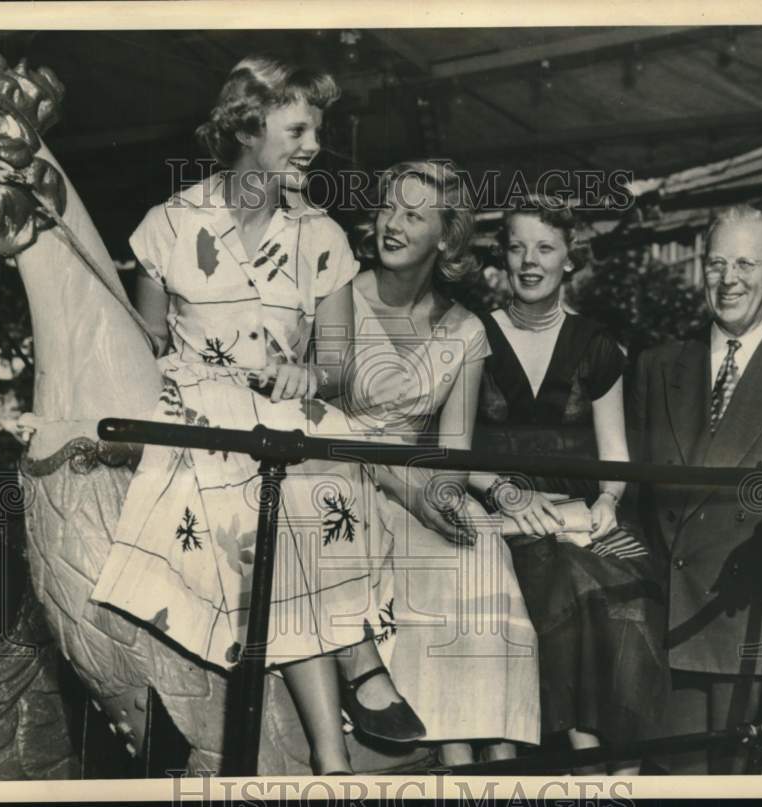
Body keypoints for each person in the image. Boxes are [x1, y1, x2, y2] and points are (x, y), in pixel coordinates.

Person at [90, 56, 424, 775]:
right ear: (248, 127)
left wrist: (310, 368)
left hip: (281, 411)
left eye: (318, 130)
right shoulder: (169, 225)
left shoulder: (324, 237)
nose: (313, 144)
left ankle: (333, 750)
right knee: (270, 500)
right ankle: (357, 671)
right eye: (298, 127)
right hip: (197, 414)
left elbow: (334, 364)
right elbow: (142, 346)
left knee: (306, 479)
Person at [629, 204, 762, 774]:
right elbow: (628, 495)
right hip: (671, 637)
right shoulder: (655, 366)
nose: (729, 280)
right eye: (716, 263)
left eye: (746, 263)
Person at [343, 160, 540, 767]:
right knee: (430, 568)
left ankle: (502, 762)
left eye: (414, 215)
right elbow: (320, 425)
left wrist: (446, 500)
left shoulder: (467, 331)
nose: (393, 225)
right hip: (345, 479)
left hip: (424, 486)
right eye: (388, 209)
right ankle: (453, 759)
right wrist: (412, 494)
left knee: (478, 550)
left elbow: (453, 453)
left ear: (446, 237)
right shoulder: (335, 301)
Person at [470, 199, 669, 774]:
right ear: (501, 257)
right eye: (517, 247)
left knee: (632, 588)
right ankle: (587, 765)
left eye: (545, 248)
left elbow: (615, 457)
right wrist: (510, 495)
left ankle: (626, 769)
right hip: (507, 519)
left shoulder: (598, 344)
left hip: (585, 513)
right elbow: (454, 451)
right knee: (567, 583)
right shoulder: (471, 338)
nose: (530, 262)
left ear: (568, 261)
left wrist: (608, 500)